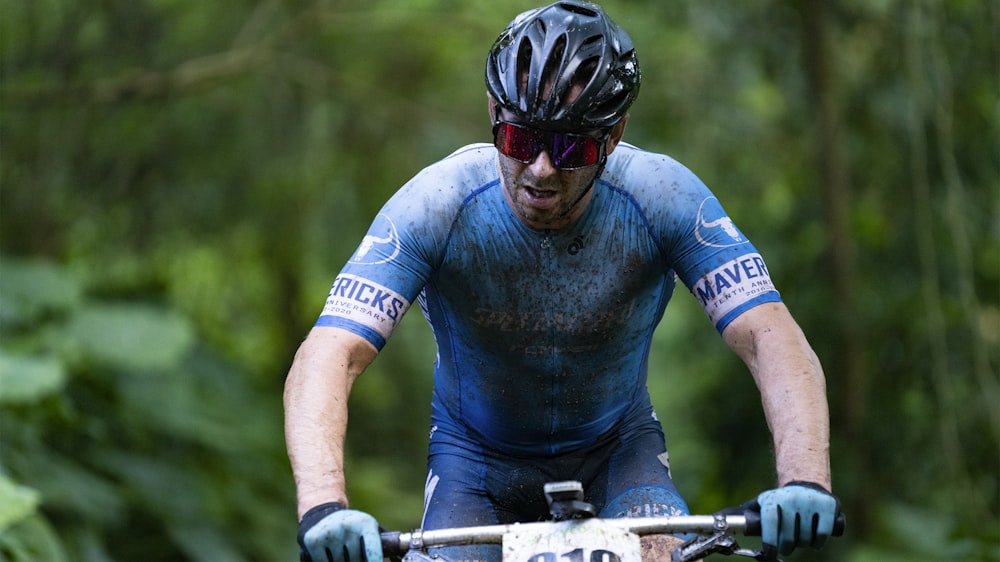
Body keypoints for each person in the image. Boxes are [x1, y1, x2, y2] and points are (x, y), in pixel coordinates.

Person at [285, 2, 841, 561]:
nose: (542, 168)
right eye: (521, 140)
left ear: (615, 134)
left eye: (572, 146)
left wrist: (804, 480)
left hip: (620, 453)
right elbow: (331, 352)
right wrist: (324, 506)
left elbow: (769, 334)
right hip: (474, 464)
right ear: (491, 112)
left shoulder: (663, 197)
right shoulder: (437, 205)